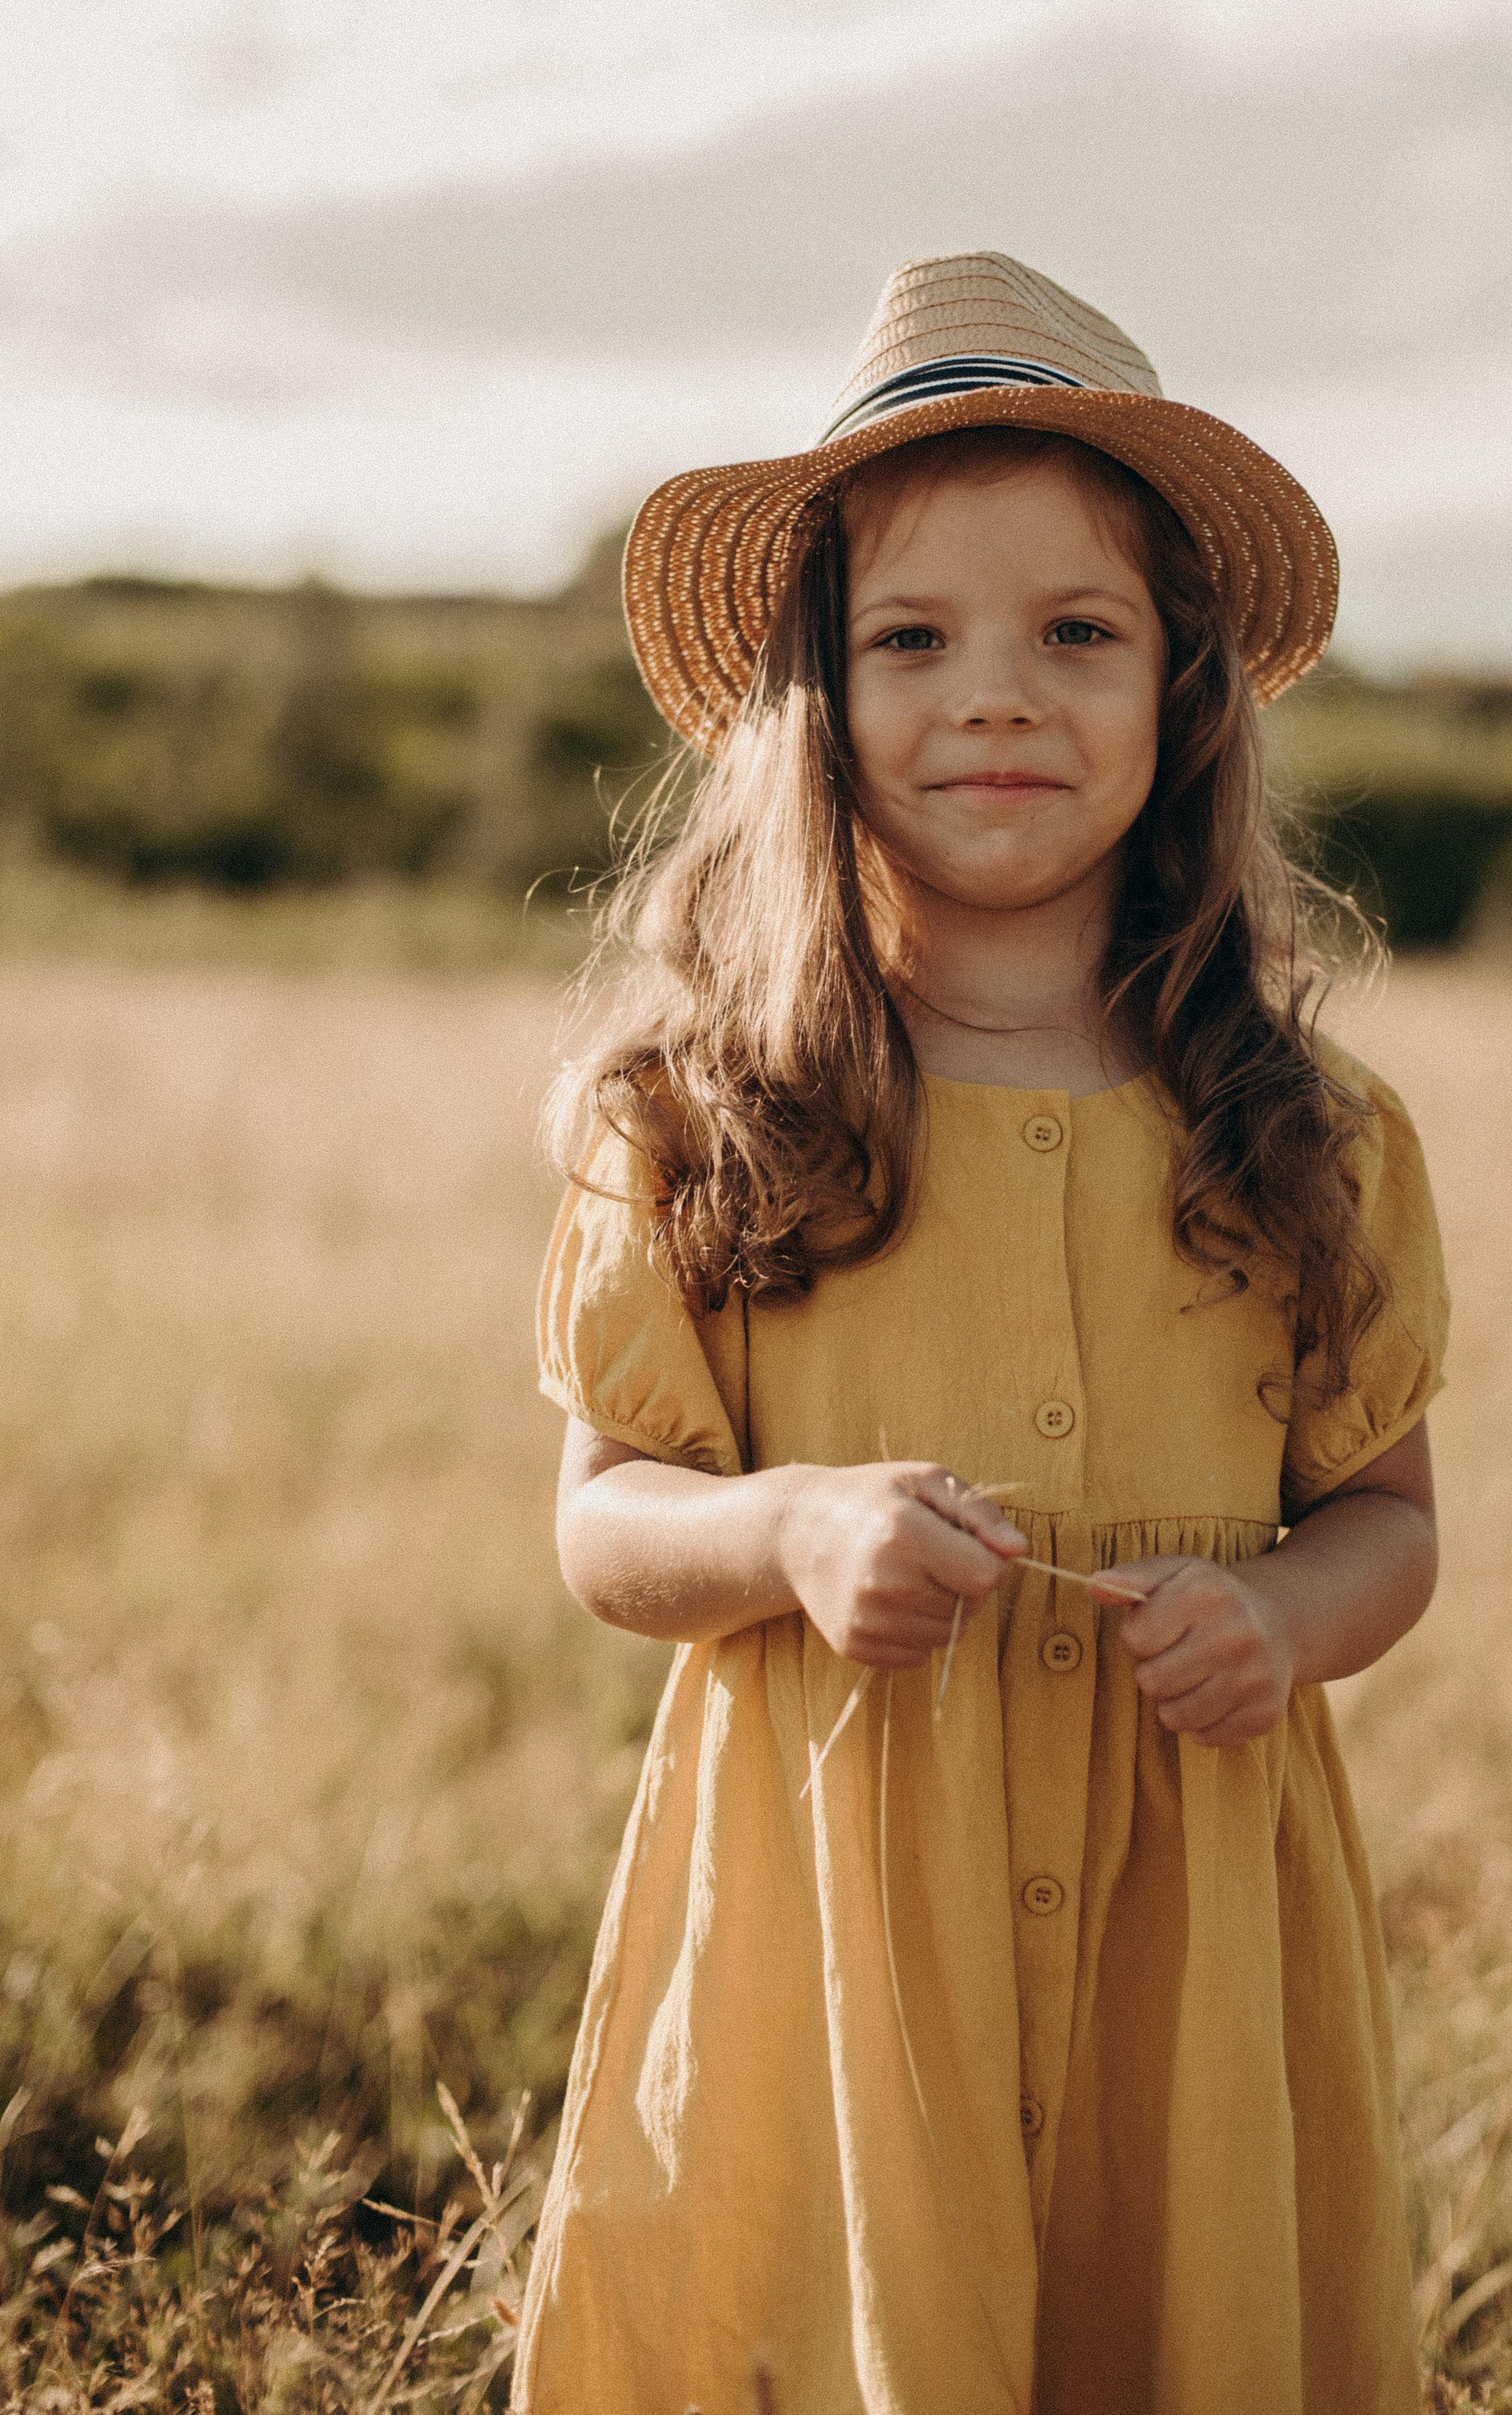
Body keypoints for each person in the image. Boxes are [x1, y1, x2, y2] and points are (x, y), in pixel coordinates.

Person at [512, 253, 1448, 2415]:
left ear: (1186, 694)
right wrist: (788, 1531)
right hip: (837, 1963)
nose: (997, 696)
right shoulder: (703, 1110)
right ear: (814, 695)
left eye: (1078, 634)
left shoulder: (1310, 1132)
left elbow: (1388, 1522)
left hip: (1184, 1965)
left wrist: (1291, 1615)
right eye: (912, 637)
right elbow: (604, 1525)